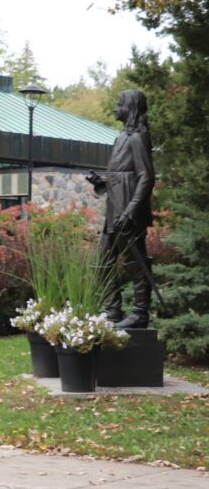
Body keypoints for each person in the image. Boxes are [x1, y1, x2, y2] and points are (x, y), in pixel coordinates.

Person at [89, 89, 156, 329]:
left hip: (128, 213)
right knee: (104, 262)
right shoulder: (121, 137)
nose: (116, 109)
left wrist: (130, 211)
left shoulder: (138, 138)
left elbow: (146, 177)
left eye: (120, 104)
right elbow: (122, 174)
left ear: (131, 108)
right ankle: (112, 311)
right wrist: (103, 181)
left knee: (134, 263)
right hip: (114, 210)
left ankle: (139, 313)